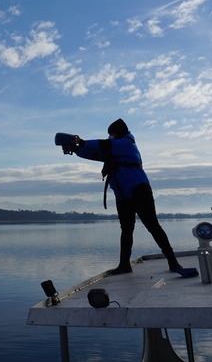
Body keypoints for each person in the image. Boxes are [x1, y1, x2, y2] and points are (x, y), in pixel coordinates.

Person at [62, 118, 184, 275]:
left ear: (118, 133)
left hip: (139, 190)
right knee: (126, 230)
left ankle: (173, 261)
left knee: (153, 226)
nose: (110, 137)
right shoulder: (114, 148)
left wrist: (81, 141)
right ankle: (124, 265)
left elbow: (104, 145)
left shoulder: (127, 144)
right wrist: (75, 149)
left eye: (111, 134)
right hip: (123, 195)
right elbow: (94, 154)